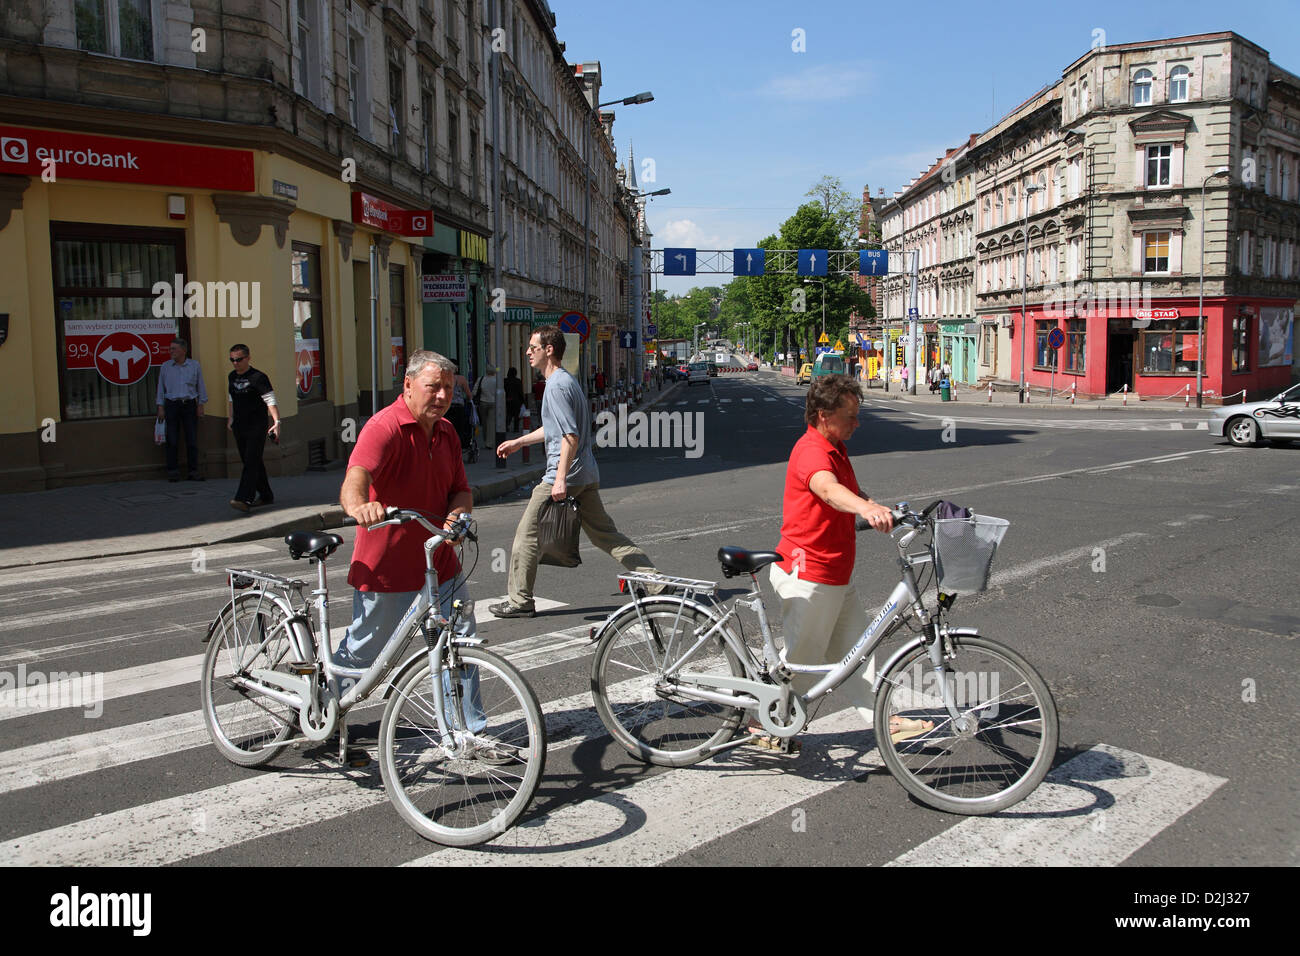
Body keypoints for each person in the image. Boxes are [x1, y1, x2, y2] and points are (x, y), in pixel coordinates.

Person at [763, 374, 930, 749]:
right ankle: (768, 724)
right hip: (810, 573)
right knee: (803, 662)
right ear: (824, 415)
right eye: (850, 416)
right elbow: (827, 488)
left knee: (858, 652)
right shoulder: (812, 450)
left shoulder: (834, 445)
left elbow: (846, 490)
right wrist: (867, 508)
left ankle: (883, 720)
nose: (858, 423)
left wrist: (881, 506)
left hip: (834, 574)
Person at [490, 325, 659, 618]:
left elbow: (569, 436)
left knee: (527, 537)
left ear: (549, 350)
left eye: (533, 347)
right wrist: (520, 441)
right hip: (585, 474)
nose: (528, 352)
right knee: (606, 535)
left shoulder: (555, 386)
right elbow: (557, 428)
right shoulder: (567, 381)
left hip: (565, 475)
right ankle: (655, 582)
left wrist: (558, 480)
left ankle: (520, 601)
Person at [336, 350, 475, 673]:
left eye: (449, 388)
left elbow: (461, 490)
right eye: (433, 387)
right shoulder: (384, 426)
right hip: (388, 568)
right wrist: (360, 506)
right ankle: (327, 714)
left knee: (460, 643)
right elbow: (356, 475)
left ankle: (466, 724)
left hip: (439, 562)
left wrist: (457, 517)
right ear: (408, 385)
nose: (442, 396)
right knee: (365, 653)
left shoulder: (447, 432)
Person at [227, 344, 280, 511]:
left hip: (257, 425)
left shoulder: (258, 377)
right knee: (251, 460)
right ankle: (266, 495)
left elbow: (270, 400)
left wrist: (277, 422)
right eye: (232, 360)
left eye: (239, 359)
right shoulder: (231, 377)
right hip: (239, 425)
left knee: (251, 460)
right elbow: (230, 398)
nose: (235, 363)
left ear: (248, 358)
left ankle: (243, 498)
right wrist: (230, 418)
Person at [155, 337, 207, 481]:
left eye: (174, 349)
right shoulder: (166, 366)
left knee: (192, 440)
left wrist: (201, 404)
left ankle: (193, 471)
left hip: (189, 404)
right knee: (172, 439)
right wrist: (160, 406)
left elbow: (200, 385)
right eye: (170, 348)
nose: (171, 351)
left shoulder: (194, 365)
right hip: (171, 404)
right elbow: (161, 387)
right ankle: (173, 471)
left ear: (183, 350)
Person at [444, 363, 474, 451]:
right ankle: (458, 447)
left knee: (447, 427)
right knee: (459, 428)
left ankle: (448, 446)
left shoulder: (444, 378)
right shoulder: (461, 379)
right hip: (459, 407)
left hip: (447, 407)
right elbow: (468, 394)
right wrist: (469, 399)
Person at [475, 365, 498, 442]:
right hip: (493, 402)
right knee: (491, 422)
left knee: (484, 422)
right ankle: (490, 442)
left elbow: (475, 390)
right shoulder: (496, 380)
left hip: (483, 402)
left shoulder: (481, 379)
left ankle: (485, 439)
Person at [504, 366, 524, 433]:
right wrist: (523, 401)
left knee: (508, 414)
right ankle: (516, 428)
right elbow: (520, 391)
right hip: (516, 400)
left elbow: (504, 390)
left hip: (508, 400)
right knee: (516, 415)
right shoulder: (518, 381)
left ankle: (506, 426)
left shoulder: (505, 381)